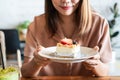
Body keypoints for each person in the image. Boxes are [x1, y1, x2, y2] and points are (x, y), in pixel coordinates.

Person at [21, 0, 112, 77]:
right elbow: (25, 72)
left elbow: (105, 72)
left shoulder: (100, 24)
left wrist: (95, 64)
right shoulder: (36, 25)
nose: (65, 1)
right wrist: (36, 62)